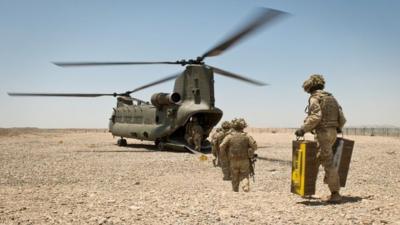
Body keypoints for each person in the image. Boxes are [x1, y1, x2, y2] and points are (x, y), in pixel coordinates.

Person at [295, 74, 346, 203]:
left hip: (323, 133)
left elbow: (315, 117)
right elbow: (342, 118)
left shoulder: (315, 98)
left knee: (328, 161)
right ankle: (307, 190)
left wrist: (303, 129)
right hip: (333, 132)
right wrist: (336, 127)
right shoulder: (331, 98)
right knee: (316, 160)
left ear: (309, 87)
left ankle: (335, 193)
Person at [220, 118, 257, 192]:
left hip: (233, 160)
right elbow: (255, 146)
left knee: (234, 175)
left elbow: (221, 146)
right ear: (243, 127)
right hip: (245, 160)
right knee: (244, 175)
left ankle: (235, 190)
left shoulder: (229, 136)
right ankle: (245, 187)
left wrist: (224, 156)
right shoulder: (247, 136)